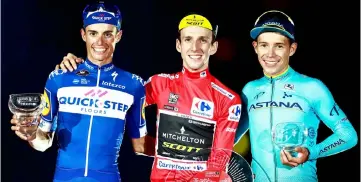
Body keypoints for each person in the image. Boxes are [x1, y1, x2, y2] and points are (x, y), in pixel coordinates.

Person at [55, 13, 242, 181]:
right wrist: (77, 71)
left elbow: (219, 164)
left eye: (203, 40)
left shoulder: (228, 99)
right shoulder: (160, 83)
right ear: (179, 45)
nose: (195, 47)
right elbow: (115, 97)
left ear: (213, 47)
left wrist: (207, 175)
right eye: (188, 39)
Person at [10, 2, 152, 182]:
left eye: (107, 34)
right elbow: (43, 142)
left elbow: (140, 146)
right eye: (93, 33)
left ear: (118, 36)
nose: (100, 42)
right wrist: (31, 134)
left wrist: (185, 147)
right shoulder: (59, 78)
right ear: (83, 35)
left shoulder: (134, 85)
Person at [233, 10, 358, 182]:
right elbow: (228, 137)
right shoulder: (250, 89)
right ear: (255, 47)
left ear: (292, 49)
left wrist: (311, 153)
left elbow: (348, 135)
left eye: (279, 46)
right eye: (264, 45)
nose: (270, 54)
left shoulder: (312, 87)